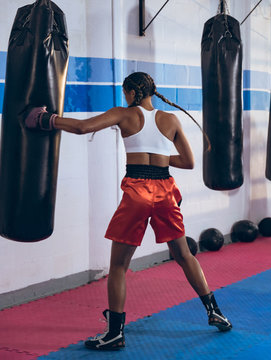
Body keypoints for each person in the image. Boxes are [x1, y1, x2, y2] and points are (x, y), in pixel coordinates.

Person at [24, 72, 232, 350]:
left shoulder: (124, 114)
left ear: (133, 92)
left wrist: (45, 119)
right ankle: (214, 311)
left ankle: (114, 333)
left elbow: (83, 128)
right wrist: (157, 157)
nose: (124, 98)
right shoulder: (170, 119)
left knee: (119, 266)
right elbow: (188, 161)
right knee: (184, 255)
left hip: (138, 192)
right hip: (166, 192)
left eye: (125, 93)